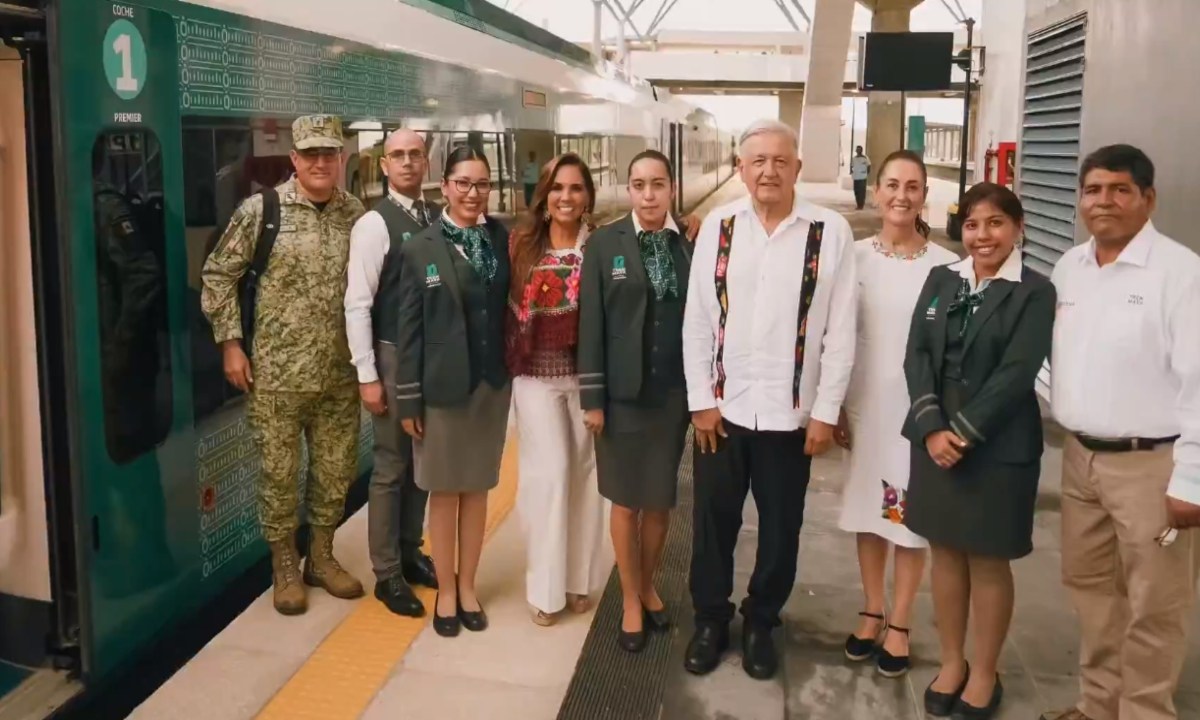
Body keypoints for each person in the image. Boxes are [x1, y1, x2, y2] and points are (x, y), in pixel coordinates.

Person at [681, 118, 857, 680]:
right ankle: (710, 618)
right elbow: (699, 322)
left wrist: (825, 412)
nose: (769, 171)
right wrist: (701, 400)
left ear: (798, 168)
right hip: (724, 412)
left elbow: (840, 330)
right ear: (740, 169)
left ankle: (761, 621)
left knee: (782, 526)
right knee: (713, 522)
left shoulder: (829, 232)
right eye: (757, 161)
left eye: (780, 161)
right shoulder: (719, 227)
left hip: (791, 415)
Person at [1041, 145, 1200, 720]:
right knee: (1092, 593)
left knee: (1155, 604)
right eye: (1093, 190)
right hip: (1080, 459)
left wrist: (1193, 480)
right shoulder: (1071, 267)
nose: (1103, 201)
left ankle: (1145, 711)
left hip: (1151, 466)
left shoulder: (1179, 274)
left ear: (1147, 199)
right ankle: (1098, 704)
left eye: (1119, 190)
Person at [202, 115, 366, 616]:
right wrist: (231, 343)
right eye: (310, 154)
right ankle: (285, 566)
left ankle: (321, 556)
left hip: (340, 374)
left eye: (329, 154)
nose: (320, 162)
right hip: (275, 377)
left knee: (335, 471)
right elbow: (217, 275)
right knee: (278, 474)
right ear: (294, 159)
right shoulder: (262, 210)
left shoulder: (356, 214)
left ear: (340, 160)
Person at [901, 182, 1055, 719]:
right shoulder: (942, 279)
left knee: (988, 562)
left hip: (998, 449)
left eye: (995, 223)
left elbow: (1018, 373)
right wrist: (930, 427)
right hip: (935, 440)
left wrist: (961, 433)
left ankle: (985, 672)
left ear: (1017, 228)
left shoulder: (1034, 292)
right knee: (944, 554)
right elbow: (917, 355)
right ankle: (951, 662)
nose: (982, 234)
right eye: (972, 223)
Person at [835, 149, 958, 678]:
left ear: (924, 195)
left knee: (907, 517)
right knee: (870, 510)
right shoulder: (853, 257)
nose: (901, 195)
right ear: (877, 190)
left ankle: (901, 621)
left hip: (917, 415)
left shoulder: (947, 267)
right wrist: (835, 403)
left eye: (912, 186)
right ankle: (871, 609)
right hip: (864, 406)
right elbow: (835, 335)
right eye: (892, 184)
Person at [578, 150, 693, 653]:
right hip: (621, 396)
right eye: (639, 184)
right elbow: (591, 326)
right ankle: (629, 598)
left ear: (671, 189)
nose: (648, 195)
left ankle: (649, 585)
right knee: (626, 501)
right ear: (629, 190)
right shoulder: (604, 244)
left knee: (660, 499)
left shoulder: (689, 242)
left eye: (658, 184)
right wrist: (592, 398)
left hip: (673, 393)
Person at [395, 146, 511, 638]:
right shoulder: (420, 247)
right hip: (442, 388)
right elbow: (409, 329)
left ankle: (468, 586)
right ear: (444, 187)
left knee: (478, 488)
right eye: (463, 183)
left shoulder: (500, 238)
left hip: (490, 382)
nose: (472, 192)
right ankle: (446, 589)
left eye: (481, 184)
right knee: (444, 492)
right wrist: (407, 398)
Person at [505, 152, 609, 626]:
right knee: (550, 474)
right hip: (534, 378)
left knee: (586, 476)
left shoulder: (603, 247)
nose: (566, 197)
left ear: (587, 197)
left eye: (576, 188)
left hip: (585, 378)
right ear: (544, 197)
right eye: (557, 188)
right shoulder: (520, 245)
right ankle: (545, 589)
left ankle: (578, 580)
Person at [344, 129, 439, 618]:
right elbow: (357, 304)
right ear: (383, 165)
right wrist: (368, 375)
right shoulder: (374, 225)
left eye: (415, 155)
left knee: (419, 461)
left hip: (426, 357)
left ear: (427, 161)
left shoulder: (431, 215)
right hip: (392, 354)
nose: (407, 163)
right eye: (397, 156)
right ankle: (386, 574)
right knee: (390, 465)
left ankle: (409, 550)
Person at [850, 146, 871, 211]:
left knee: (862, 192)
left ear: (861, 150)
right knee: (856, 191)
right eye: (857, 149)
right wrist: (852, 171)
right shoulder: (854, 158)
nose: (858, 151)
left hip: (862, 177)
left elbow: (869, 166)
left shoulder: (865, 158)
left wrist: (866, 173)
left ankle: (861, 205)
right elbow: (851, 166)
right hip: (856, 177)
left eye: (859, 149)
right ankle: (858, 204)